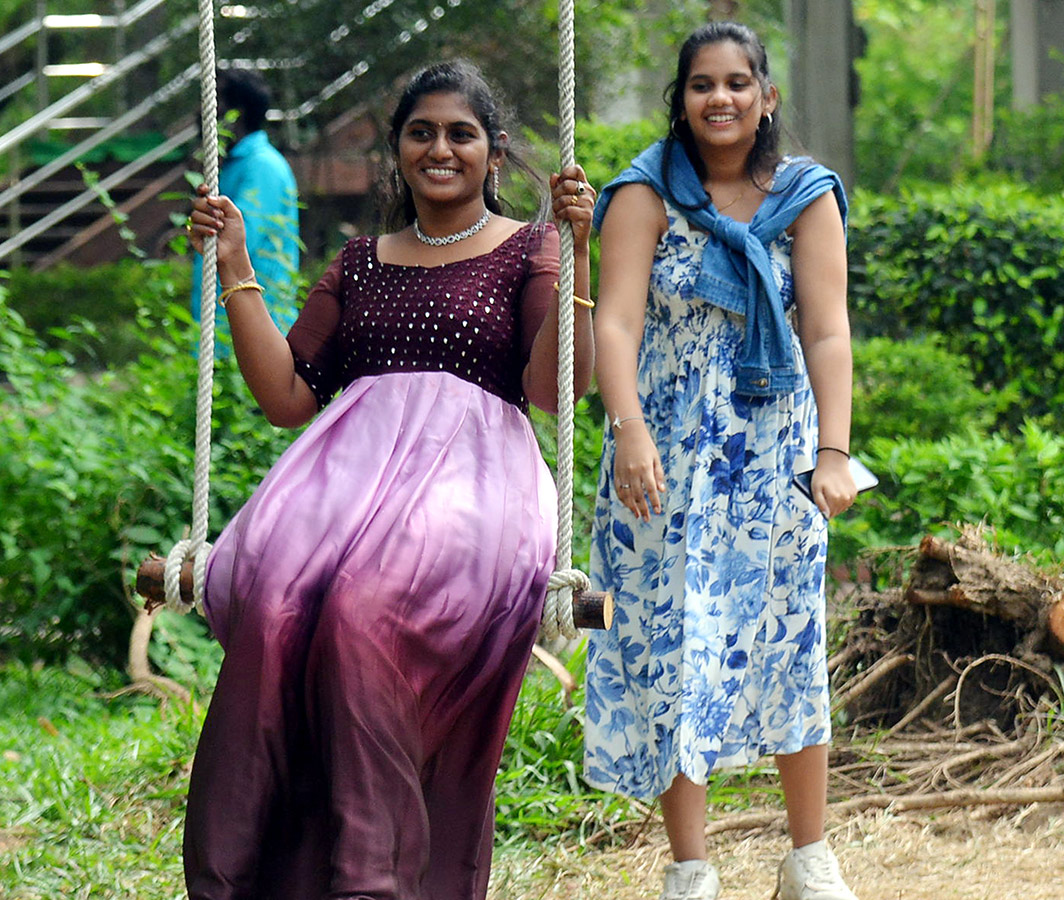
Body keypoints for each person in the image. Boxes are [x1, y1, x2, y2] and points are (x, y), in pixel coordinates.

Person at [181, 59, 595, 899]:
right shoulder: (362, 261)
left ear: (495, 152)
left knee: (362, 611)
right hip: (341, 489)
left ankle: (371, 881)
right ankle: (237, 877)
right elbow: (288, 396)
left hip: (472, 486)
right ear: (398, 149)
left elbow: (556, 390)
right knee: (271, 607)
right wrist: (233, 263)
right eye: (421, 132)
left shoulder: (530, 247)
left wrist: (580, 253)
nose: (440, 149)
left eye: (461, 134)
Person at [583, 22, 858, 900]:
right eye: (703, 84)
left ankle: (807, 859)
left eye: (739, 83)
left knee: (793, 638)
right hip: (661, 456)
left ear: (767, 97)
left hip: (777, 453)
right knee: (675, 641)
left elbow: (826, 330)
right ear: (683, 99)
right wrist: (628, 428)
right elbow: (616, 322)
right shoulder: (642, 194)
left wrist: (835, 453)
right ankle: (691, 869)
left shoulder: (806, 196)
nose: (722, 99)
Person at [191, 67, 301, 344]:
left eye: (211, 104)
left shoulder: (261, 166)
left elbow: (237, 244)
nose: (200, 114)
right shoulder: (235, 165)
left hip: (256, 335)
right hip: (222, 333)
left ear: (235, 113)